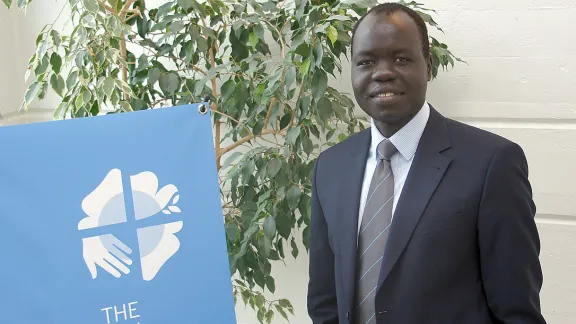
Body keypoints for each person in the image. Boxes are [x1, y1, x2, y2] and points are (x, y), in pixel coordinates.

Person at [306, 3, 547, 324]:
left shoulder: (492, 164)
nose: (383, 72)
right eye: (366, 62)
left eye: (401, 58)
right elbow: (325, 302)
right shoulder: (330, 167)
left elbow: (517, 310)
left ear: (429, 65)